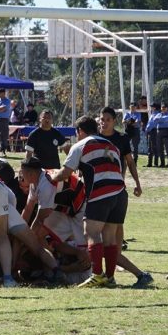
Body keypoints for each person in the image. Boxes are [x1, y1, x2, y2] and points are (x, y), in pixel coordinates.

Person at [52, 115, 125, 288]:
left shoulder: (80, 145)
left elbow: (65, 173)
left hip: (101, 193)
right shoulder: (112, 145)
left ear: (80, 131)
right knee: (109, 237)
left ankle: (96, 274)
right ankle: (110, 277)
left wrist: (52, 175)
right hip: (120, 194)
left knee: (91, 232)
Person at [97, 107, 153, 288]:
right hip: (98, 191)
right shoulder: (94, 138)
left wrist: (137, 183)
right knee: (104, 236)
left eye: (107, 119)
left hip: (115, 191)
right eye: (101, 119)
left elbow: (130, 162)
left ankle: (114, 267)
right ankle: (109, 272)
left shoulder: (121, 139)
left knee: (112, 233)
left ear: (114, 121)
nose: (103, 122)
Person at [156, 103, 168, 167]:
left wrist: (159, 120)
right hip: (159, 131)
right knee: (160, 148)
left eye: (164, 107)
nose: (163, 108)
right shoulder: (158, 114)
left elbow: (165, 119)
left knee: (167, 148)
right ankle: (162, 163)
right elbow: (154, 120)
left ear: (167, 108)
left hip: (166, 131)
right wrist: (160, 119)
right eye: (162, 107)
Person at [145, 102, 160, 167]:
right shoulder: (152, 114)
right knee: (149, 147)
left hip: (153, 131)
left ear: (154, 107)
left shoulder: (158, 114)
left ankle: (156, 163)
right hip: (149, 132)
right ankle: (149, 163)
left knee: (154, 147)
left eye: (152, 106)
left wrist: (148, 129)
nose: (151, 107)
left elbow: (153, 124)